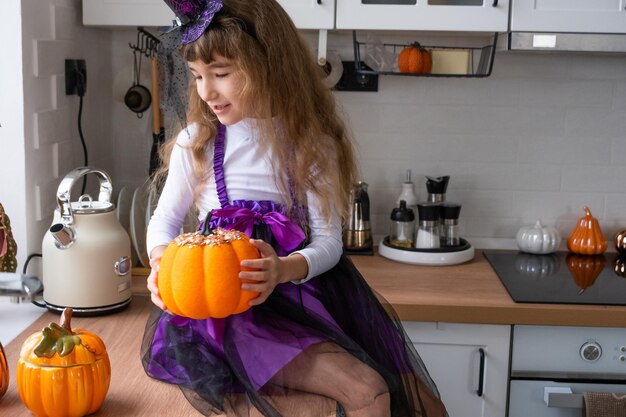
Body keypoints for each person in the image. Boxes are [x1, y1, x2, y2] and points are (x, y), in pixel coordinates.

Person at [141, 1, 448, 416]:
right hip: (232, 318)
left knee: (422, 403)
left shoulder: (309, 144)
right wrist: (161, 263)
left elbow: (328, 243)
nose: (206, 92)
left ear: (268, 63)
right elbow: (164, 221)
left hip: (309, 301)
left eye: (222, 74)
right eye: (197, 76)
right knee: (370, 390)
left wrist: (284, 268)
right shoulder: (198, 142)